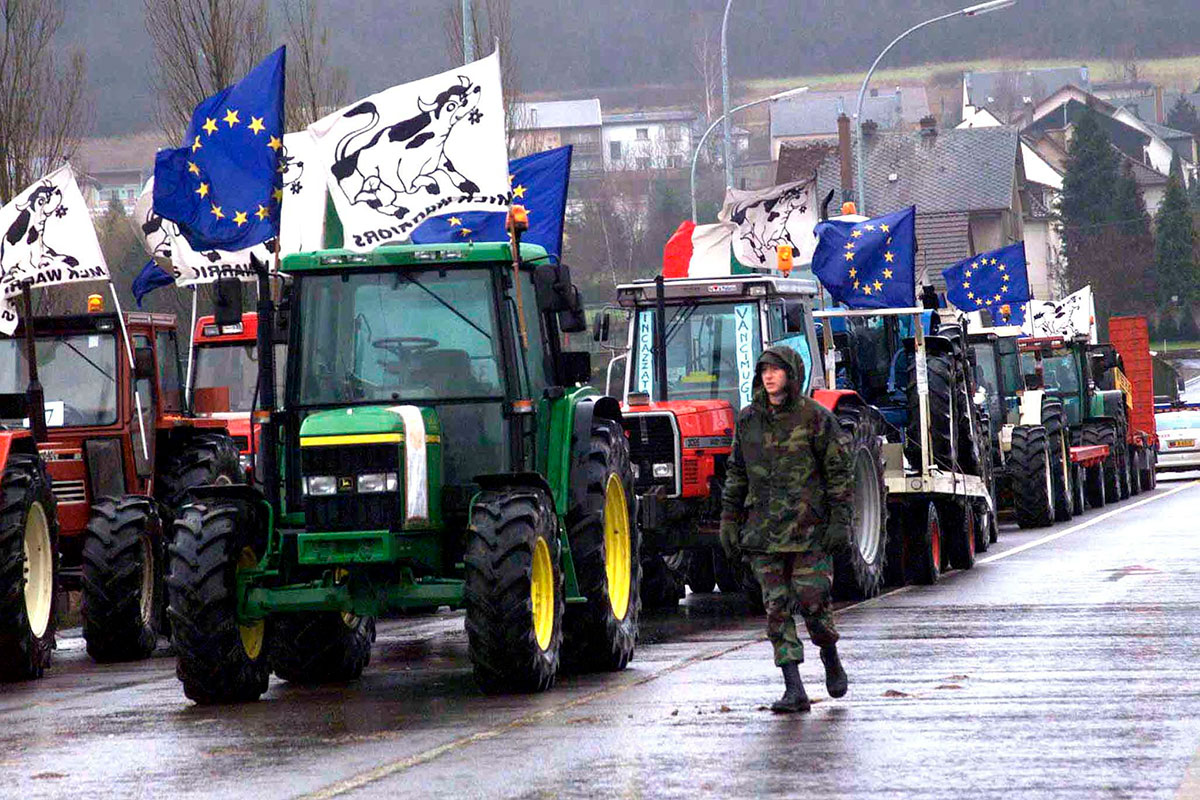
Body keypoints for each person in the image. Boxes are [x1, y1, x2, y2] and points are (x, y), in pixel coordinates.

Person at [720, 345, 854, 713]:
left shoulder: (816, 418)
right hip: (763, 533)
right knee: (776, 610)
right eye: (764, 370)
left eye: (776, 370)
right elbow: (736, 474)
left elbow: (838, 475)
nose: (769, 376)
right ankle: (793, 688)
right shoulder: (748, 421)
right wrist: (729, 520)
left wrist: (840, 521)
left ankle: (830, 656)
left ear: (791, 375)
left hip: (808, 531)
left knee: (813, 602)